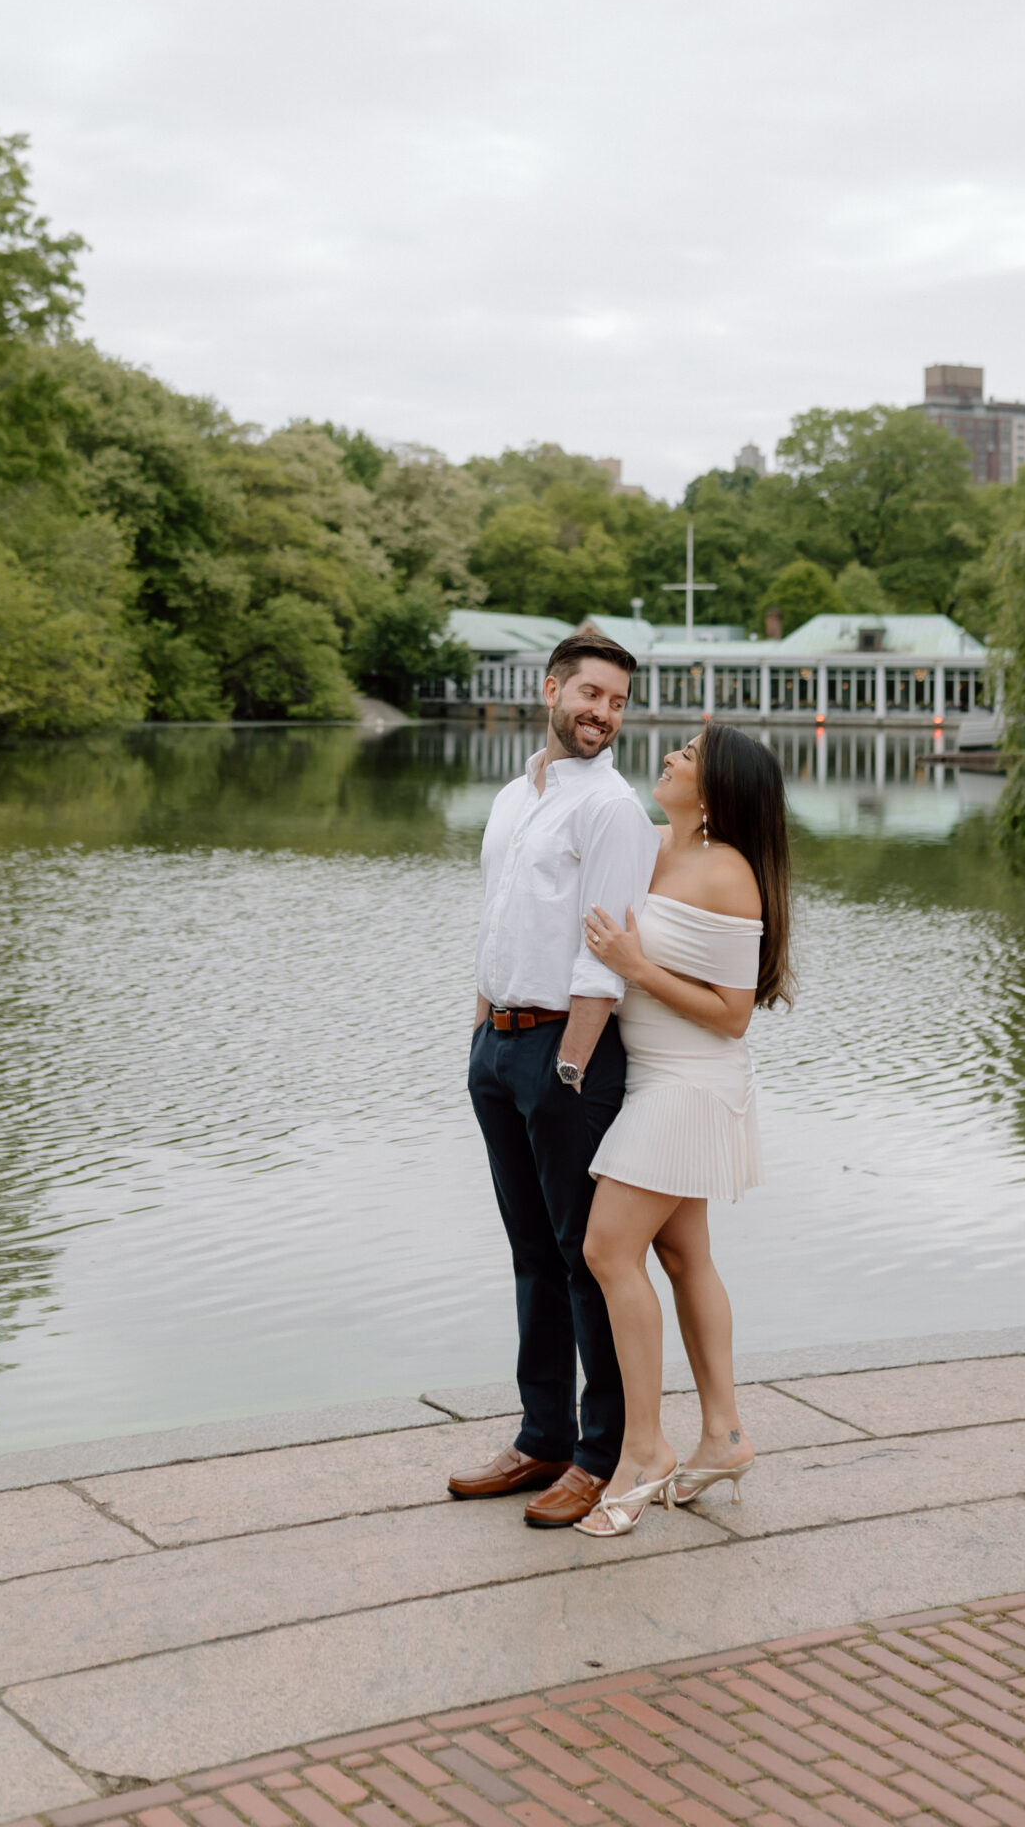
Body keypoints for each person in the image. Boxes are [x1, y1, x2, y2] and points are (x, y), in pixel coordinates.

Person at [447, 632, 661, 1527]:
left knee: (584, 1258)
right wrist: (480, 1038)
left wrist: (568, 1063)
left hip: (566, 1055)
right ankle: (540, 1436)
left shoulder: (611, 809)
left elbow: (600, 958)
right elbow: (502, 920)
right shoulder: (509, 798)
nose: (602, 715)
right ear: (551, 689)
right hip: (497, 1046)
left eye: (615, 702)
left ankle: (598, 1454)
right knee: (529, 1252)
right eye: (590, 695)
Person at [574, 721, 793, 1537]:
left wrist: (636, 968)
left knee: (607, 1250)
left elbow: (732, 1017)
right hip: (650, 1076)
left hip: (690, 1084)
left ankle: (643, 1450)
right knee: (682, 1251)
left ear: (717, 790)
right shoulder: (656, 846)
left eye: (690, 755)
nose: (670, 754)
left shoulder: (728, 871)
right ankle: (725, 1435)